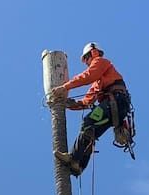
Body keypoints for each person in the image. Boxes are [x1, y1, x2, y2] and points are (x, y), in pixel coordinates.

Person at [50, 42, 132, 176]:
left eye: (86, 59)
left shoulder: (101, 62)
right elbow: (88, 100)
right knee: (90, 131)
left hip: (115, 102)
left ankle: (74, 158)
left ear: (92, 53)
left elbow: (88, 76)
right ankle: (78, 165)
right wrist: (70, 104)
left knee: (88, 122)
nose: (87, 63)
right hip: (116, 106)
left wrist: (64, 87)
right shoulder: (99, 82)